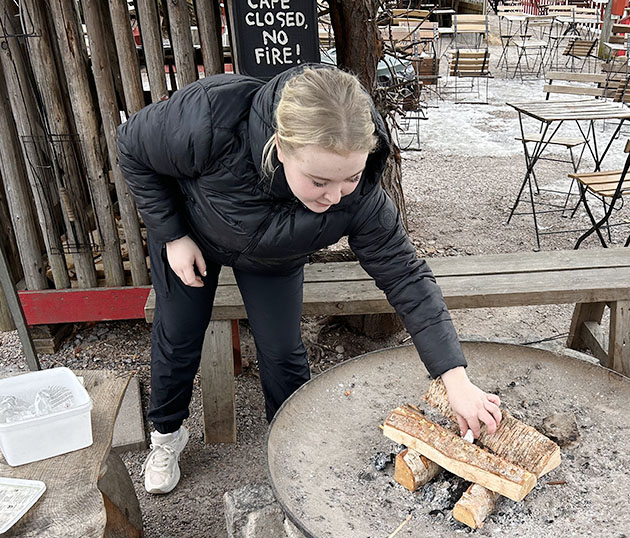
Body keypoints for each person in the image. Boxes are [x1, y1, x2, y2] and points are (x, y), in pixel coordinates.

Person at [117, 65, 502, 494]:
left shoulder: (360, 196)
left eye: (350, 178)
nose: (335, 196)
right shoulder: (211, 117)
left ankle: (293, 443)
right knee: (178, 334)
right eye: (319, 181)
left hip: (274, 255)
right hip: (191, 233)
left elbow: (407, 277)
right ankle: (167, 434)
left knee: (283, 351)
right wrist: (172, 234)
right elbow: (131, 145)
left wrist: (455, 378)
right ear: (281, 147)